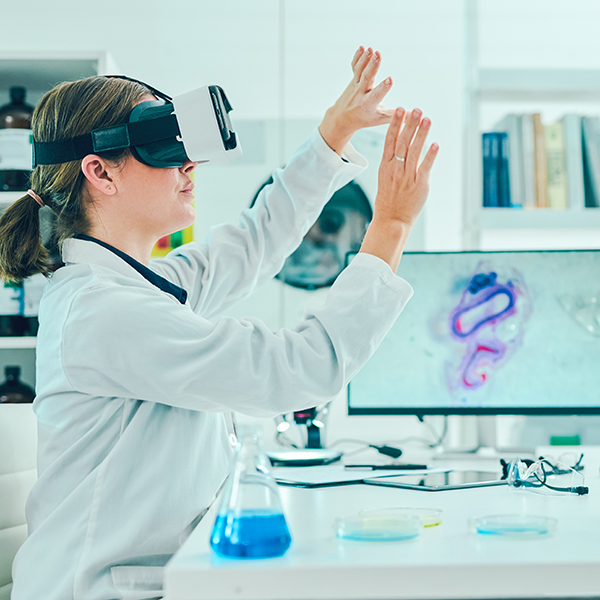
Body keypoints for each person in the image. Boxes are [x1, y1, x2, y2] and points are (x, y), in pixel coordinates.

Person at [0, 46, 438, 600]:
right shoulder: (104, 312)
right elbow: (295, 371)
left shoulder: (133, 287)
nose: (189, 164)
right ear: (99, 172)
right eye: (161, 147)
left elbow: (254, 242)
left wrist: (333, 135)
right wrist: (392, 225)